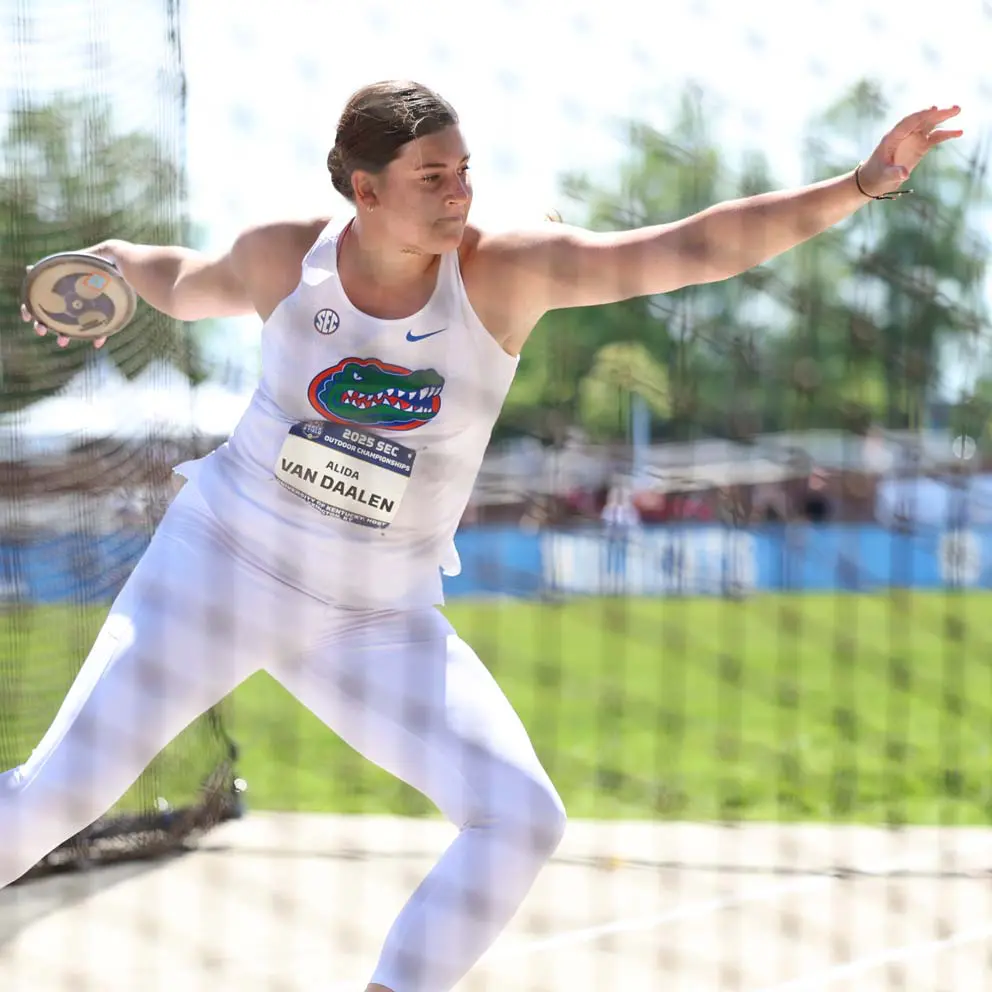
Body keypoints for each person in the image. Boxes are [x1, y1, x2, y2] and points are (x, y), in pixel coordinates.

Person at [5, 80, 961, 991]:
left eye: (466, 170)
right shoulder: (284, 257)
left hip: (373, 613)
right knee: (55, 801)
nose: (460, 192)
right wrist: (114, 266)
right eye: (433, 177)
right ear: (364, 190)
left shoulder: (506, 271)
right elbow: (183, 279)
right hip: (220, 571)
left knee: (519, 817)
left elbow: (693, 247)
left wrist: (859, 186)